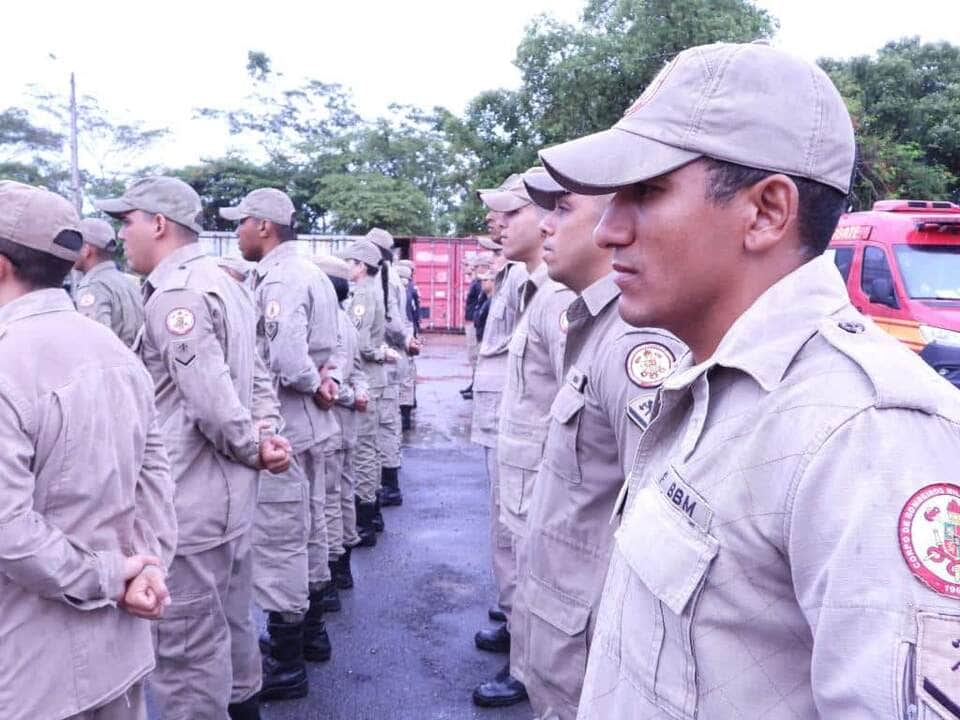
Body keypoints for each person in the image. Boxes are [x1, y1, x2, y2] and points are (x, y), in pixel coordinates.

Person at [540, 41, 960, 718]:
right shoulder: (709, 378)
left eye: (646, 191)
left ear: (766, 211)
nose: (610, 229)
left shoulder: (867, 434)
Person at [96, 176, 291, 720]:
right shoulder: (226, 280)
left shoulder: (178, 293)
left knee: (185, 655)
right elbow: (256, 379)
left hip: (189, 501)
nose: (121, 235)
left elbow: (211, 402)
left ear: (158, 224)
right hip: (228, 499)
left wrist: (254, 444)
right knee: (230, 627)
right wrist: (265, 434)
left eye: (127, 221)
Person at [511, 170, 685, 719]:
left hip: (588, 633)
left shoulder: (636, 342)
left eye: (563, 208)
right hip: (562, 614)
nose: (545, 225)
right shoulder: (595, 321)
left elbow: (652, 525)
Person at [0, 181, 177, 720]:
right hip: (118, 652)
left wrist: (107, 576)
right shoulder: (117, 354)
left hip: (29, 671)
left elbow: (9, 530)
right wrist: (144, 570)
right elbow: (156, 488)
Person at [221, 188, 342, 699]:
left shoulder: (281, 277)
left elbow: (288, 356)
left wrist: (315, 384)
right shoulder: (308, 270)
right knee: (309, 530)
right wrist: (322, 382)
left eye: (242, 223)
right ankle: (309, 637)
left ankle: (287, 660)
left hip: (287, 424)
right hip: (309, 425)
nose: (237, 232)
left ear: (264, 227)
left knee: (280, 539)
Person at [473, 167, 576, 708]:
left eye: (513, 213)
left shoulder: (557, 297)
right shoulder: (532, 284)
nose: (498, 223)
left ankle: (528, 669)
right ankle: (522, 649)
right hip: (517, 458)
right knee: (512, 558)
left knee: (535, 572)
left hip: (539, 471)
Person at [470, 174, 530, 660]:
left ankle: (525, 651)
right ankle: (515, 620)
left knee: (516, 533)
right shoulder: (514, 271)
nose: (495, 223)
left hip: (518, 427)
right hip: (502, 418)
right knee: (503, 528)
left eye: (508, 213)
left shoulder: (534, 279)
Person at [315, 253, 369, 591]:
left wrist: (351, 396)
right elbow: (359, 372)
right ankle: (344, 564)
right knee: (343, 494)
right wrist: (360, 395)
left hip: (332, 420)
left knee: (328, 500)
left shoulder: (329, 324)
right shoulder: (344, 321)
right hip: (347, 424)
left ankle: (333, 569)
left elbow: (333, 385)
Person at [365, 228, 421, 509]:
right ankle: (386, 481)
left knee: (384, 426)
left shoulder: (384, 278)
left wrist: (402, 341)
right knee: (387, 424)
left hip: (384, 363)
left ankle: (388, 485)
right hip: (388, 362)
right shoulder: (386, 275)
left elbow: (391, 321)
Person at [344, 238, 394, 547]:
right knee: (370, 449)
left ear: (361, 267)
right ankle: (371, 510)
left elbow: (361, 344)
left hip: (367, 377)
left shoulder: (362, 296)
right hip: (374, 379)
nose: (347, 268)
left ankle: (365, 518)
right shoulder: (370, 292)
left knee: (363, 450)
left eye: (350, 263)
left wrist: (378, 353)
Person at [73, 216, 144, 346]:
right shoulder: (128, 282)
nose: (71, 251)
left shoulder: (93, 286)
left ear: (87, 250)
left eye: (75, 245)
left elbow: (95, 344)